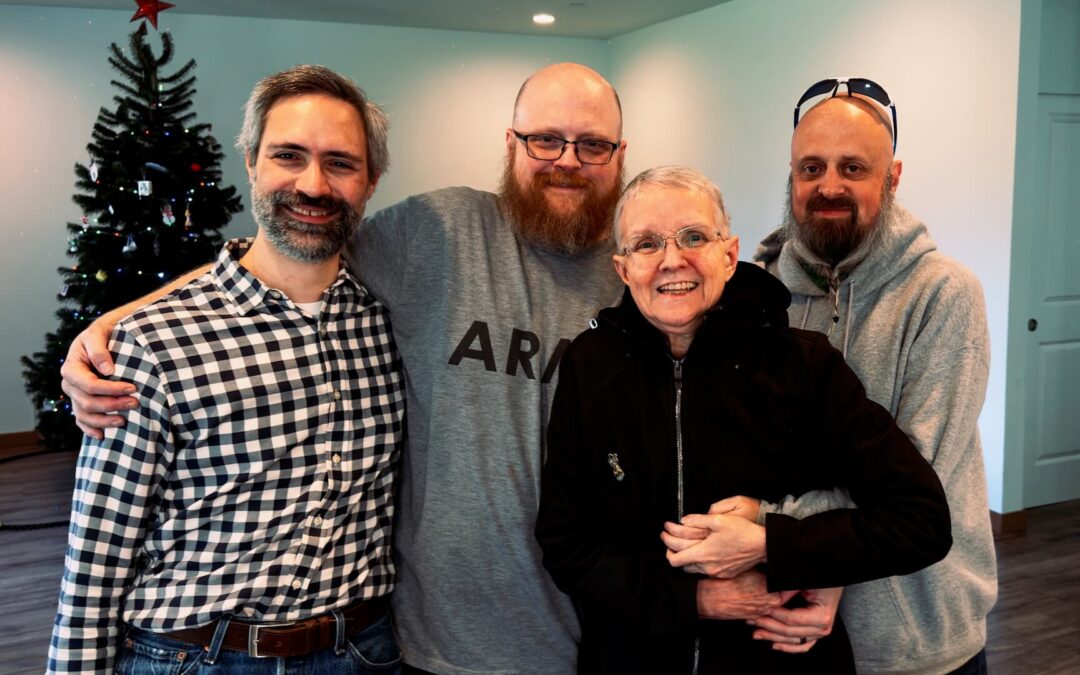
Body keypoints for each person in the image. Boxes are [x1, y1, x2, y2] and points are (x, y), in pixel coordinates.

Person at [59, 64, 834, 673]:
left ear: (618, 157)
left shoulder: (651, 267)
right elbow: (294, 244)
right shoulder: (434, 233)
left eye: (591, 145)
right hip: (441, 646)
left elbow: (777, 424)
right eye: (545, 140)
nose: (567, 161)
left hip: (619, 635)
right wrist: (123, 317)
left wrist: (809, 552)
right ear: (511, 142)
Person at [47, 65, 405, 674]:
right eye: (288, 156)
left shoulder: (390, 321)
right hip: (195, 656)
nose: (313, 185)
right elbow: (96, 556)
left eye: (341, 163)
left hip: (362, 652)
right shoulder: (152, 340)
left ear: (371, 181)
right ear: (251, 164)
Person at [535, 165, 952, 674]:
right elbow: (565, 544)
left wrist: (773, 544)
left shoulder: (804, 365)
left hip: (778, 657)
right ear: (623, 269)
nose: (672, 260)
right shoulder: (588, 365)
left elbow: (920, 521)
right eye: (646, 244)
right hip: (633, 656)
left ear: (729, 255)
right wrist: (698, 601)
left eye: (693, 237)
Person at [750, 78, 998, 674]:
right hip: (787, 624)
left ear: (892, 178)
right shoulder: (756, 293)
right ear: (791, 177)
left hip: (916, 640)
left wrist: (771, 530)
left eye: (852, 167)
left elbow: (915, 481)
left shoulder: (942, 294)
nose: (828, 185)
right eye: (811, 168)